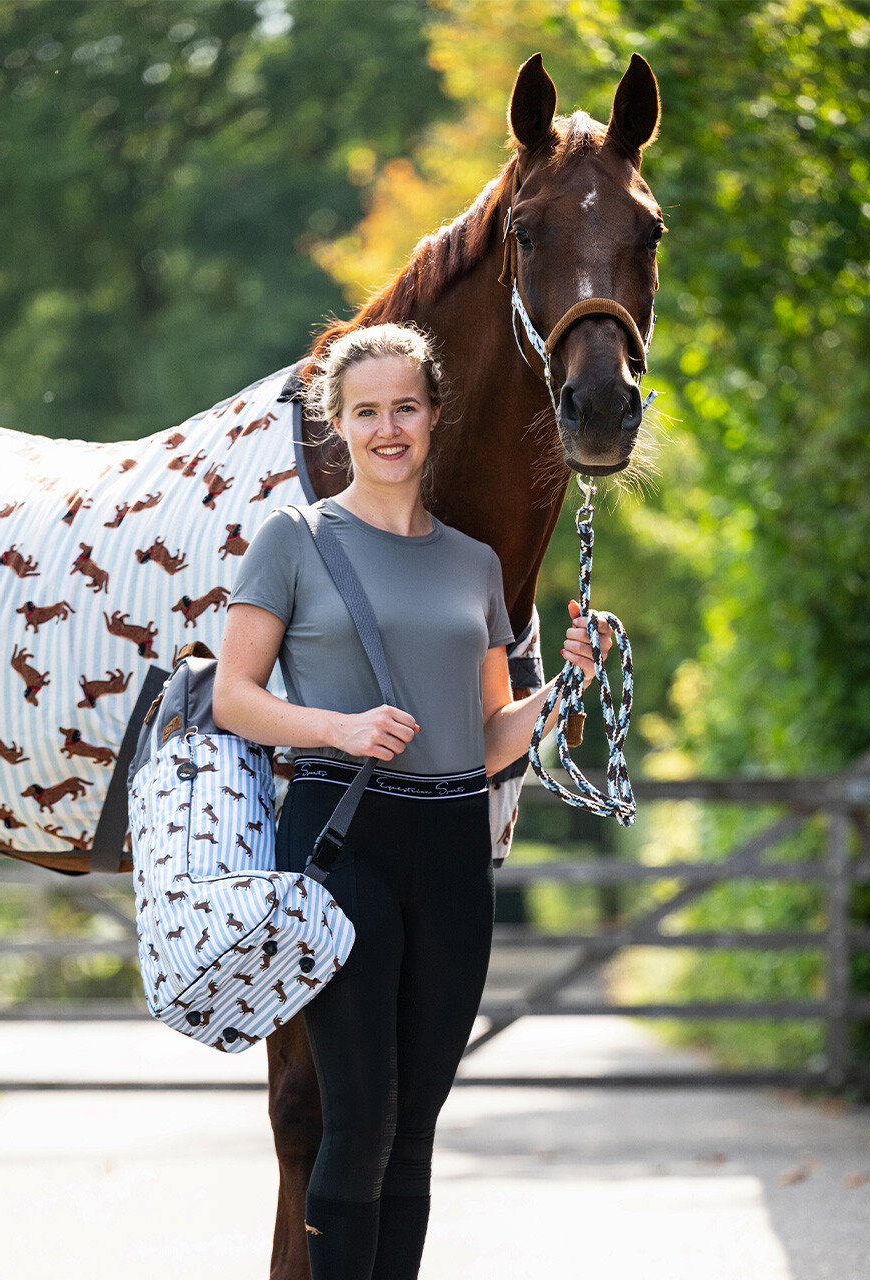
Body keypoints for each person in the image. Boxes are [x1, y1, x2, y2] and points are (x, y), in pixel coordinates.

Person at [212, 322, 611, 1280]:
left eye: (404, 409)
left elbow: (487, 734)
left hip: (451, 848)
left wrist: (566, 689)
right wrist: (336, 729)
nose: (387, 429)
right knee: (357, 1119)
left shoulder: (473, 562)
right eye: (366, 413)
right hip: (343, 840)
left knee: (419, 1125)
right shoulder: (293, 540)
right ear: (337, 425)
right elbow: (234, 696)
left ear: (434, 417)